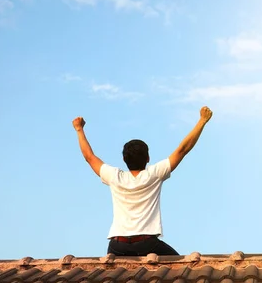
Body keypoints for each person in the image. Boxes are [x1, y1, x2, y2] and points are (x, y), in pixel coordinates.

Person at [72, 106, 213, 256]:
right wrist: (202, 121)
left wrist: (79, 129)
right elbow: (182, 150)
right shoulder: (154, 174)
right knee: (180, 267)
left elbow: (89, 157)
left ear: (124, 160)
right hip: (147, 244)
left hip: (117, 246)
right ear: (148, 159)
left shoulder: (114, 176)